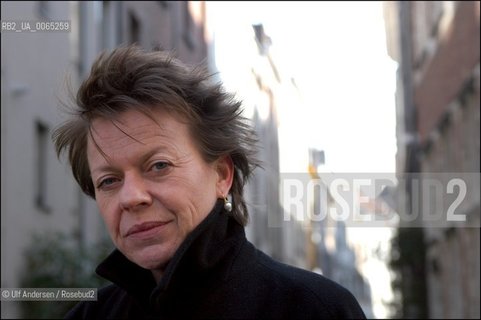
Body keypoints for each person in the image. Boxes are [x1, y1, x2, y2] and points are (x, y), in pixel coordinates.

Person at [53, 45, 366, 319]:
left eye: (159, 166)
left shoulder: (313, 309)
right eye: (108, 181)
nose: (131, 197)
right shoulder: (89, 316)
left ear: (221, 175)